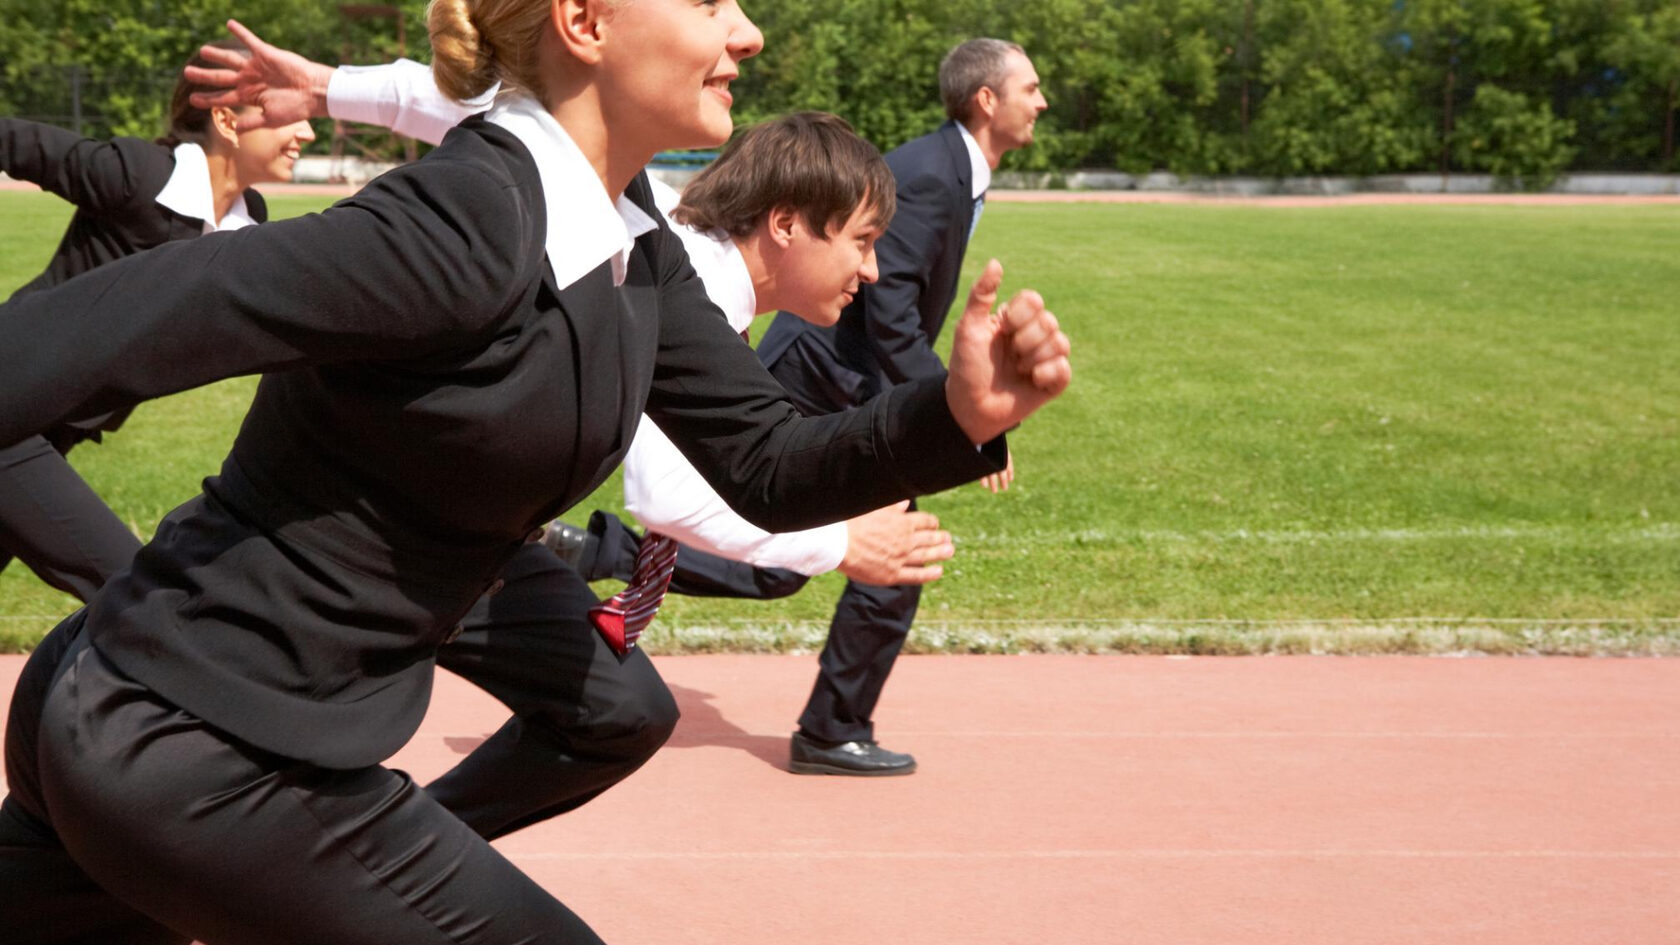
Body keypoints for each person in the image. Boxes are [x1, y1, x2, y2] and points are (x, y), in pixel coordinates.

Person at [0, 3, 1071, 943]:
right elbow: (92, 333)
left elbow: (767, 462)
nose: (747, 32)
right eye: (709, 1)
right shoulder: (460, 226)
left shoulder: (626, 233)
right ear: (585, 22)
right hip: (197, 745)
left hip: (190, 732)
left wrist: (955, 413)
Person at [179, 27, 956, 839]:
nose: (871, 272)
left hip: (465, 532)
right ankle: (362, 849)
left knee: (620, 707)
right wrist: (837, 545)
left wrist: (329, 86)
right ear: (788, 224)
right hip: (368, 537)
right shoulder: (674, 276)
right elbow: (672, 497)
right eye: (864, 242)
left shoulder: (638, 205)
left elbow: (479, 102)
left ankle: (400, 846)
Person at [756, 37, 1049, 776]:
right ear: (988, 100)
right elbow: (889, 313)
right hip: (822, 375)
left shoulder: (953, 170)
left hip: (853, 376)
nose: (1042, 101)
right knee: (792, 552)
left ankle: (832, 726)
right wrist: (962, 418)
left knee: (876, 556)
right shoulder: (930, 176)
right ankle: (604, 554)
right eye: (1032, 88)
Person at [0, 40, 316, 603]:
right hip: (12, 410)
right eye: (287, 116)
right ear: (225, 119)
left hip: (52, 430)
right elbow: (15, 141)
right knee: (137, 592)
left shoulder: (250, 224)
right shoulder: (139, 176)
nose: (307, 132)